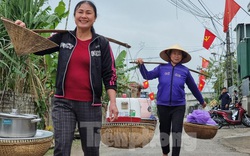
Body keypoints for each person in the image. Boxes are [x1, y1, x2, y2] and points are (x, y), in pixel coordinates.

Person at [15, 1, 119, 156]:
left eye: (88, 12)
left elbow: (109, 74)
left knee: (91, 150)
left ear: (95, 18)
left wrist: (113, 103)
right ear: (75, 15)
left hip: (91, 106)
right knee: (61, 149)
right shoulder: (64, 38)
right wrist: (22, 31)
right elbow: (38, 48)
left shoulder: (101, 43)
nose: (84, 16)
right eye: (80, 12)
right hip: (63, 103)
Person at [136, 44, 206, 156]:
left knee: (177, 132)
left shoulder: (185, 71)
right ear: (169, 55)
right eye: (174, 53)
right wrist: (141, 65)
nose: (176, 56)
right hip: (162, 105)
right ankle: (165, 152)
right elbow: (147, 75)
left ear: (182, 57)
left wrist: (202, 101)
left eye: (179, 54)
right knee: (164, 131)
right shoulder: (161, 68)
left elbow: (193, 87)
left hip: (178, 106)